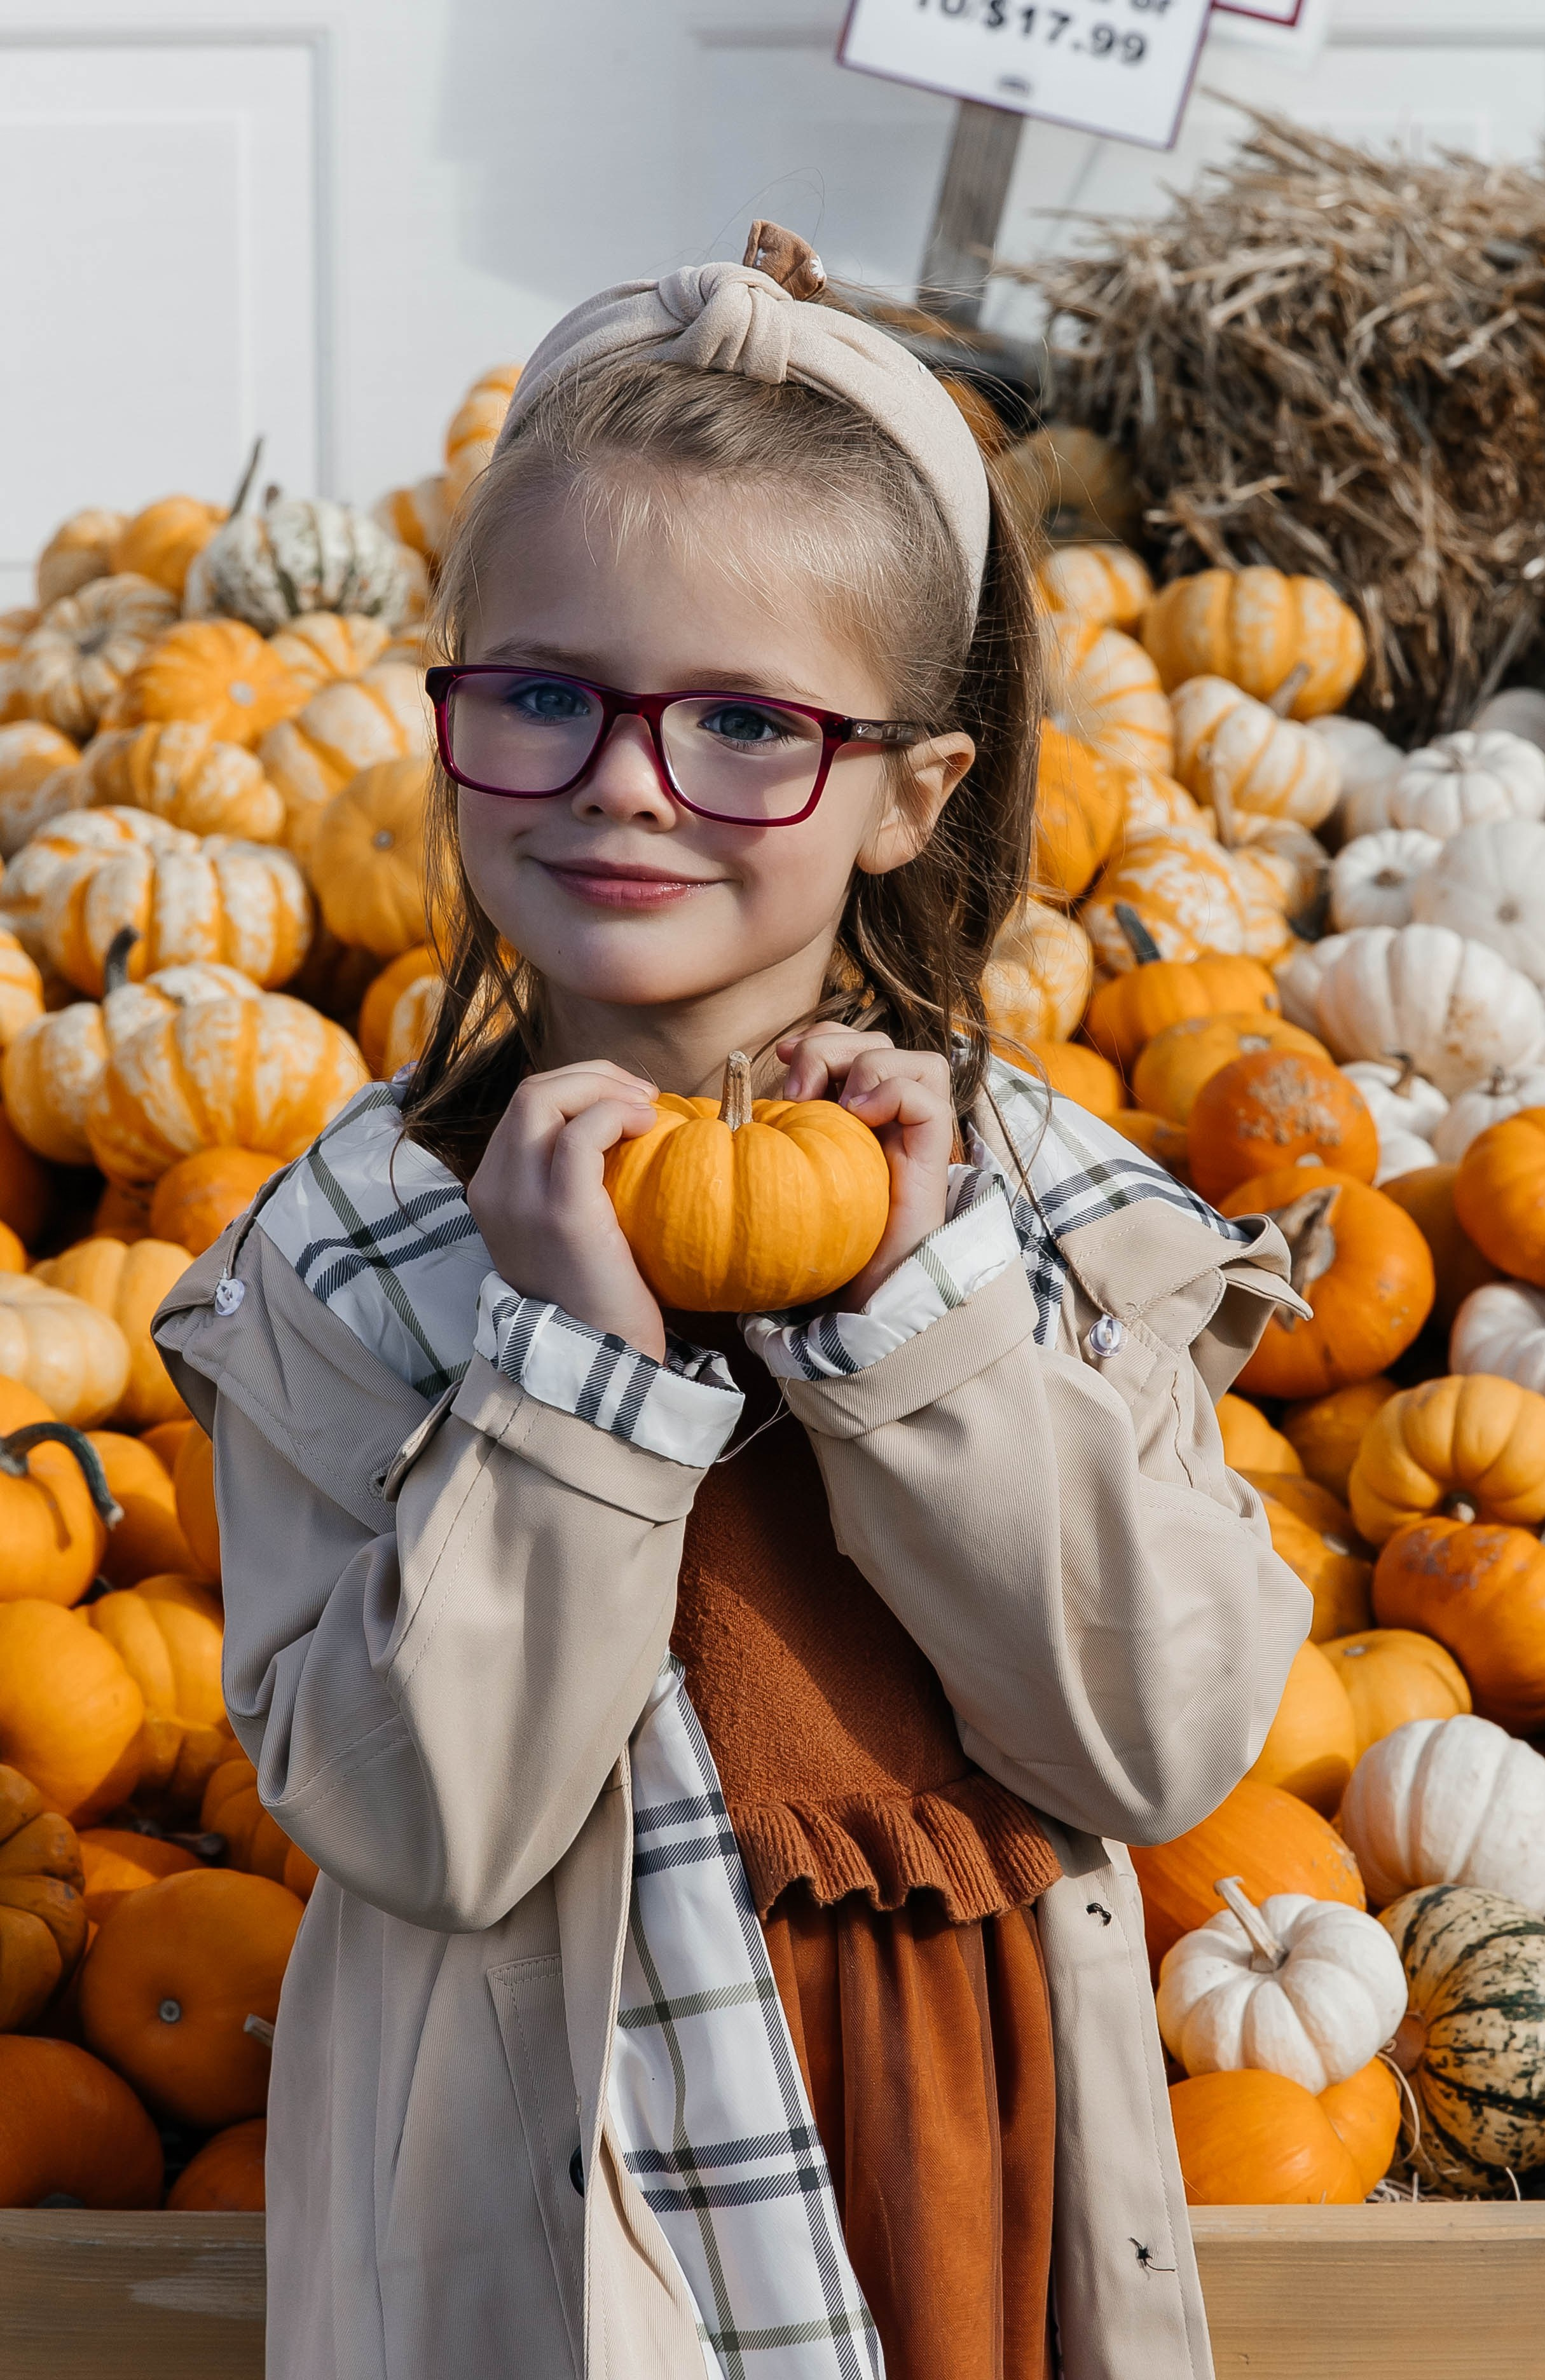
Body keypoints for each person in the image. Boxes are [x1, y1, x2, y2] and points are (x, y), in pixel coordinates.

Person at [155, 226, 1310, 2380]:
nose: (624, 780)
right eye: (545, 695)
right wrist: (573, 1377)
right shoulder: (348, 1254)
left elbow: (1160, 1742)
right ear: (453, 710)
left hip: (967, 2152)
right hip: (558, 2217)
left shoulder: (1044, 1215)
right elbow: (430, 1825)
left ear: (906, 795)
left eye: (747, 726)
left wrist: (922, 1318)